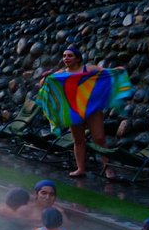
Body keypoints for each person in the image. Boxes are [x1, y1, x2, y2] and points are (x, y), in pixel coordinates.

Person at [49, 46, 115, 181]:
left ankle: (108, 168)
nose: (66, 58)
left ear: (78, 58)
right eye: (64, 56)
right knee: (78, 140)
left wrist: (117, 72)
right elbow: (46, 84)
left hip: (92, 108)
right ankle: (80, 169)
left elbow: (105, 73)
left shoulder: (88, 69)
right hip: (74, 111)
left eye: (70, 55)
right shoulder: (62, 73)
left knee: (99, 138)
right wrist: (46, 79)